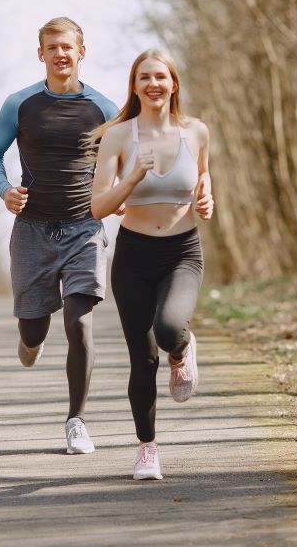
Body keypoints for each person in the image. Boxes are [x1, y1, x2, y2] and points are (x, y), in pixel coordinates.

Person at [0, 17, 118, 455]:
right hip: (33, 231)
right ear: (40, 54)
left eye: (68, 47)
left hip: (84, 230)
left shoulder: (104, 108)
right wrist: (5, 190)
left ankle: (76, 420)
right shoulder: (20, 104)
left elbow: (124, 161)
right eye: (52, 47)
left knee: (78, 323)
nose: (61, 54)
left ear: (82, 51)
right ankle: (30, 340)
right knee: (34, 328)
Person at [90, 49, 214, 480]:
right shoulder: (119, 137)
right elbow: (97, 206)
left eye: (161, 76)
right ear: (135, 85)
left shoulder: (195, 131)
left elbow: (201, 174)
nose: (153, 84)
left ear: (173, 83)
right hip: (133, 257)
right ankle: (147, 449)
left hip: (182, 252)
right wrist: (131, 179)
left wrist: (206, 194)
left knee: (167, 329)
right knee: (142, 359)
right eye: (144, 77)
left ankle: (182, 347)